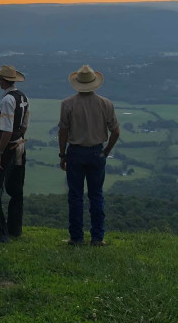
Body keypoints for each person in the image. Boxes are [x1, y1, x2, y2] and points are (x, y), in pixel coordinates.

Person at [58, 65, 120, 246]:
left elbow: (63, 131)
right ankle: (97, 237)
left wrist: (62, 155)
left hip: (75, 153)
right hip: (96, 153)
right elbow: (116, 131)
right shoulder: (106, 104)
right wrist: (106, 151)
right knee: (96, 195)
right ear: (94, 83)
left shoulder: (67, 104)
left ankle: (76, 237)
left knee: (75, 196)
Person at [0, 65, 30, 243]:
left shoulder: (7, 100)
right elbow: (24, 125)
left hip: (8, 148)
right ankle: (14, 229)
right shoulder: (23, 97)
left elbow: (7, 131)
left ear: (2, 80)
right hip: (20, 145)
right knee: (15, 189)